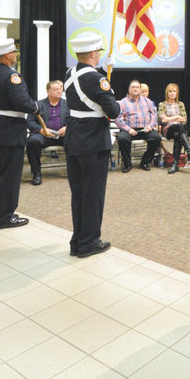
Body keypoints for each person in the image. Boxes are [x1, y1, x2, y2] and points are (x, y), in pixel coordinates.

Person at [64, 31, 120, 257]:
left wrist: (106, 74)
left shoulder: (69, 73)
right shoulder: (97, 79)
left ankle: (77, 241)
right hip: (93, 141)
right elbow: (113, 111)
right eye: (98, 52)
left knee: (78, 193)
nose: (99, 55)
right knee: (93, 195)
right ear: (93, 53)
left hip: (74, 138)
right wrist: (105, 80)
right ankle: (89, 242)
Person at [0, 39, 39, 229]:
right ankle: (5, 217)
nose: (16, 55)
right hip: (10, 130)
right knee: (9, 175)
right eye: (14, 52)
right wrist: (36, 107)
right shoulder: (13, 76)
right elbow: (22, 102)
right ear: (7, 55)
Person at [26, 80, 68, 185]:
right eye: (55, 90)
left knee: (75, 140)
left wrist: (67, 128)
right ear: (48, 91)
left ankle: (73, 171)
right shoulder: (38, 104)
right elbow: (29, 122)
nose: (59, 91)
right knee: (32, 141)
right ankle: (36, 173)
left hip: (62, 135)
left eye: (60, 89)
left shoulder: (68, 104)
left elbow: (75, 120)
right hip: (44, 136)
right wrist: (41, 130)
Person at [116, 79, 161, 172]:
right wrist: (128, 129)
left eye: (137, 87)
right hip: (130, 130)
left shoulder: (147, 101)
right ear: (129, 90)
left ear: (140, 90)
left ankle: (145, 161)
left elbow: (154, 115)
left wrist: (150, 126)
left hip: (145, 129)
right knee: (122, 139)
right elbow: (118, 119)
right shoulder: (122, 103)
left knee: (156, 138)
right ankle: (127, 164)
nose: (136, 89)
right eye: (133, 87)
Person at [158, 83, 190, 174]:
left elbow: (184, 119)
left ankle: (175, 164)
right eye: (170, 91)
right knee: (179, 127)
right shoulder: (162, 104)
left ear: (177, 93)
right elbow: (163, 120)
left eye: (174, 91)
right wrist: (176, 117)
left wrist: (170, 118)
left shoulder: (180, 104)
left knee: (177, 135)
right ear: (167, 93)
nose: (172, 93)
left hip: (179, 130)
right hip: (167, 130)